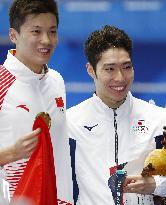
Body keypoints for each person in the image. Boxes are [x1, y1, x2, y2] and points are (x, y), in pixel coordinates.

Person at [67, 25, 166, 205]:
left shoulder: (161, 120)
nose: (120, 78)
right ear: (91, 70)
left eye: (126, 67)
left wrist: (155, 185)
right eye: (110, 69)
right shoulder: (70, 123)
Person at [0, 0, 73, 204]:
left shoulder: (57, 80)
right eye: (36, 31)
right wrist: (9, 154)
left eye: (52, 31)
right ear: (13, 35)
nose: (46, 40)